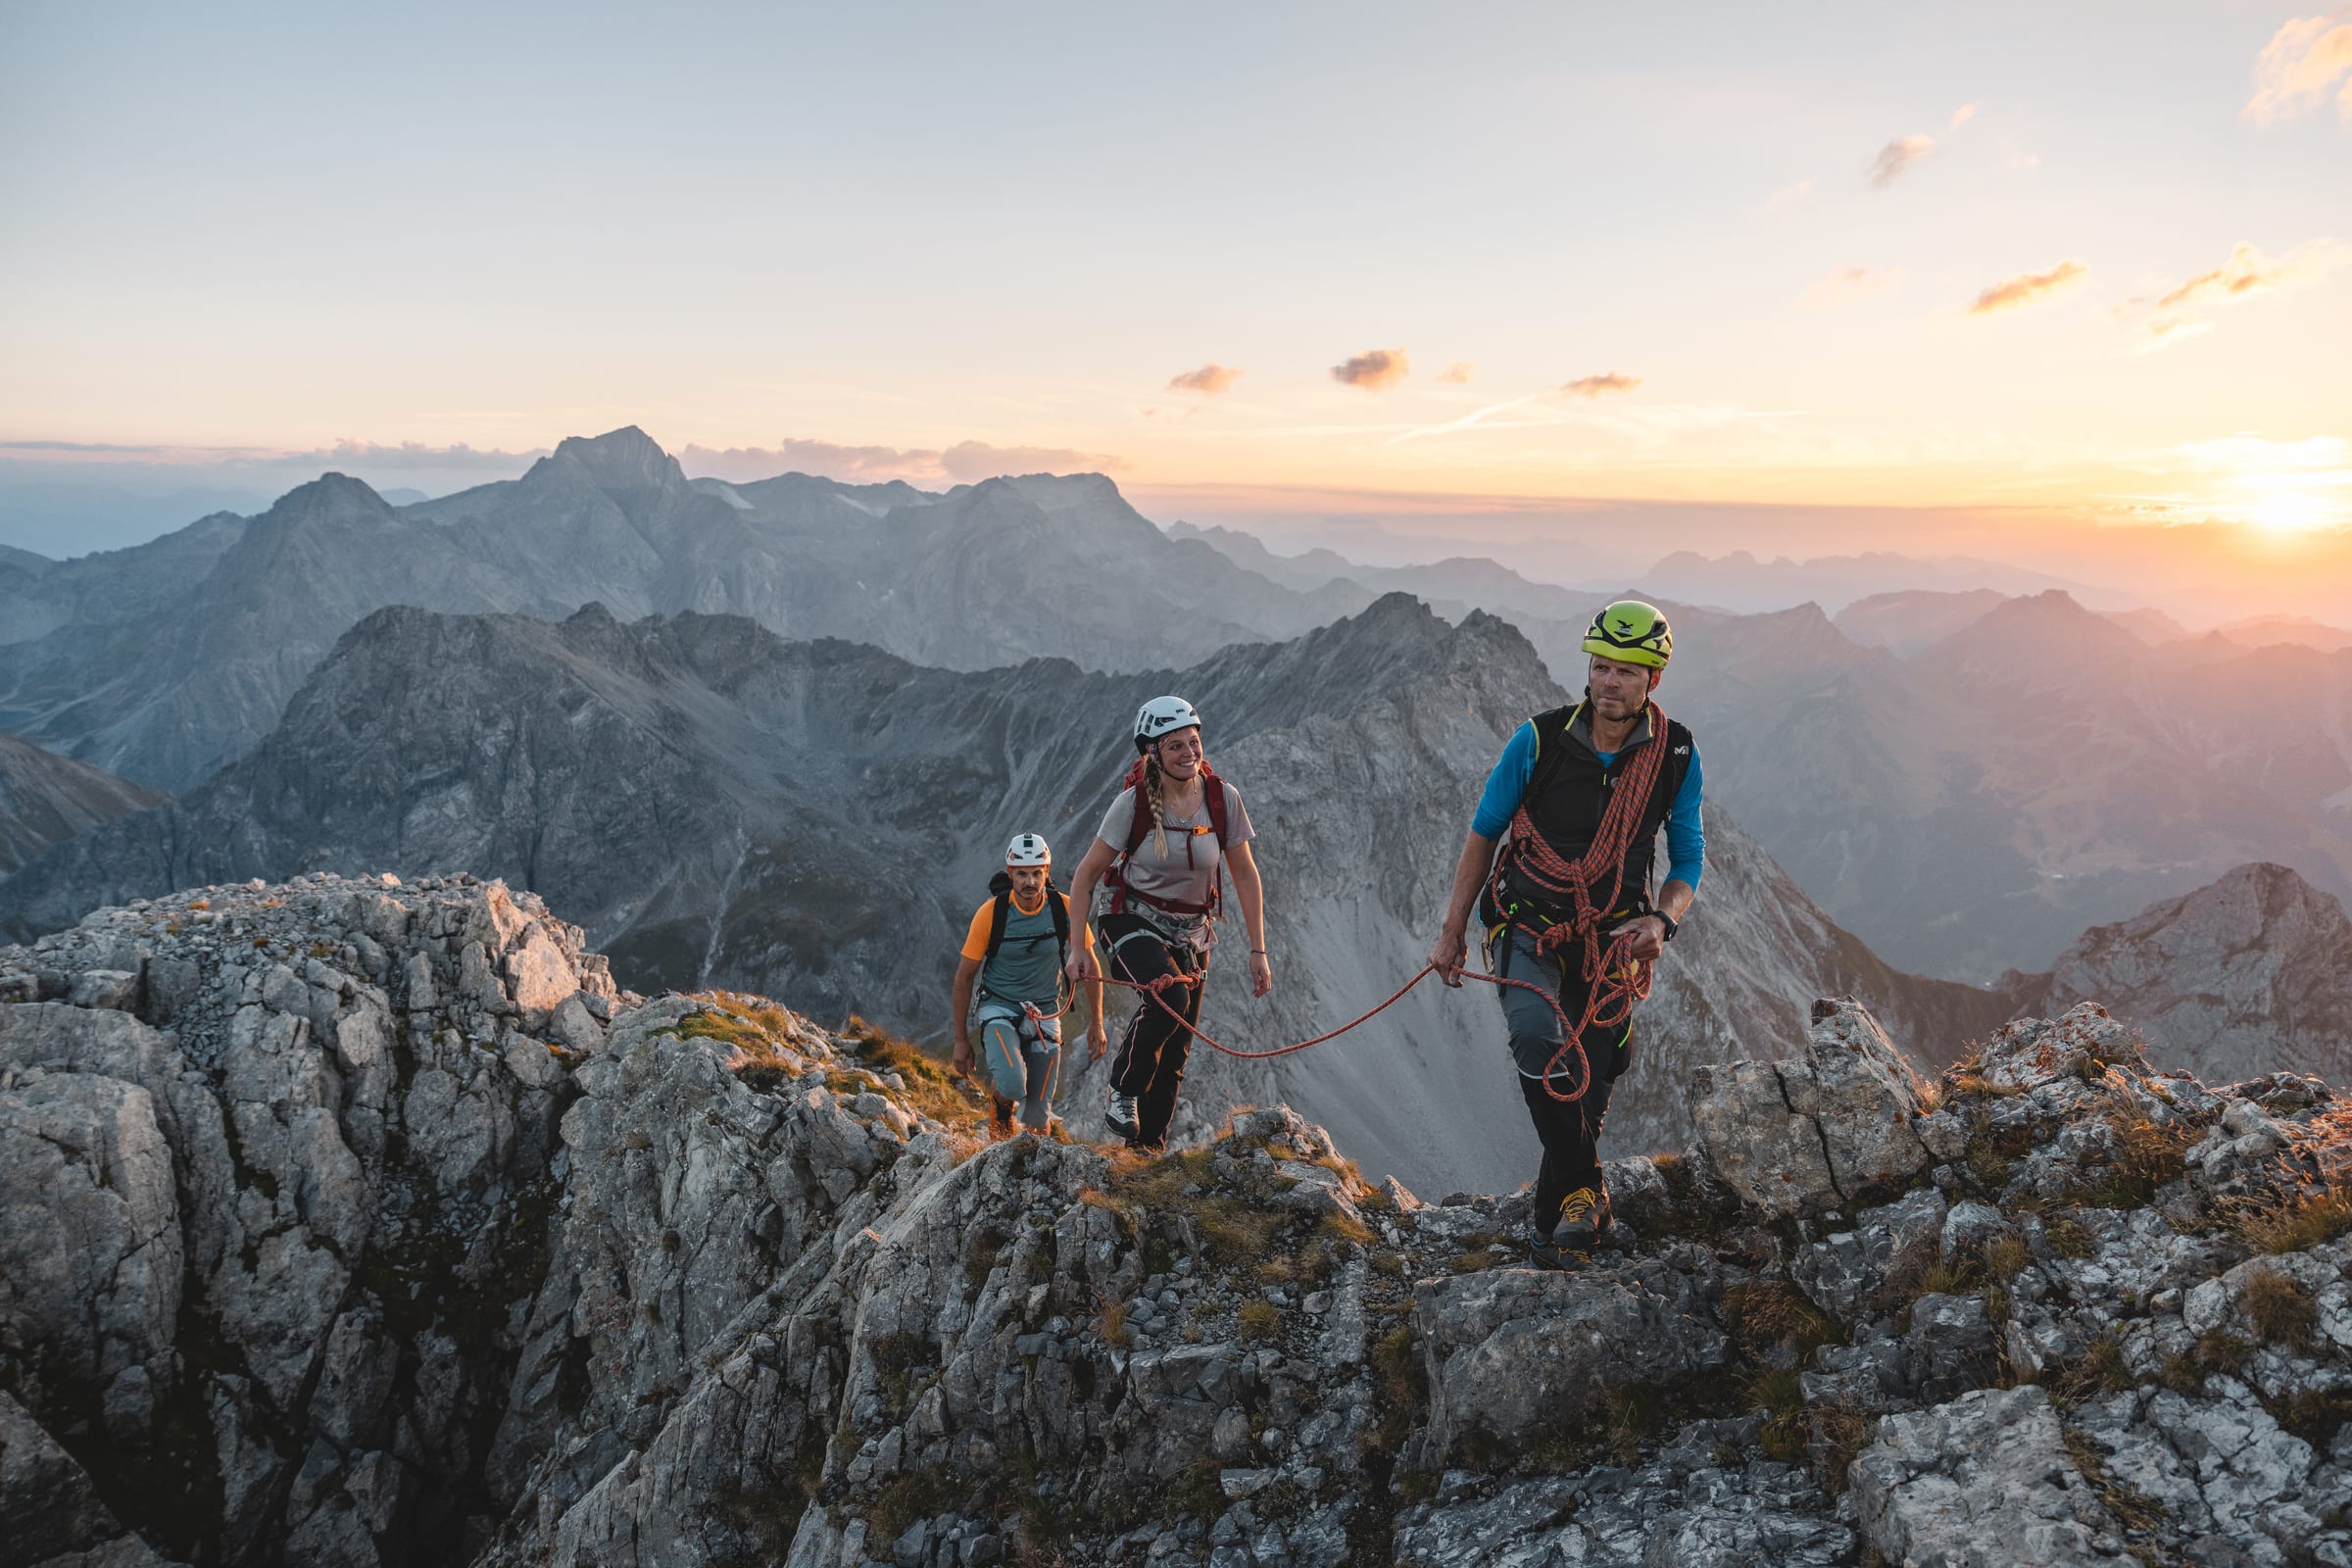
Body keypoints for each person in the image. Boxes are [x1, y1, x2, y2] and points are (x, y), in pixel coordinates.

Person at [1428, 600, 1705, 1268]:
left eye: (1627, 671)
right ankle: (1592, 1191)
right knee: (1535, 1035)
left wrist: (1663, 921)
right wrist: (1452, 931)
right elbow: (1484, 833)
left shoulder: (1676, 752)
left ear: (1653, 681)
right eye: (1601, 666)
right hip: (1530, 923)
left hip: (1614, 939)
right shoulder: (1540, 740)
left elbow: (1688, 857)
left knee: (1599, 1070)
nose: (1609, 681)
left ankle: (1552, 1229)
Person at [1064, 696, 1272, 1152]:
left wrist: (1258, 950)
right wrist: (1078, 949)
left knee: (1176, 1048)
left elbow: (1245, 874)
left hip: (1194, 933)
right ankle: (1123, 1089)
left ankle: (1147, 1151)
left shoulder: (1222, 799)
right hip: (1129, 918)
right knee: (1168, 996)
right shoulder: (1132, 804)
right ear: (1152, 753)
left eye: (1193, 742)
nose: (1188, 752)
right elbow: (1084, 877)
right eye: (1175, 745)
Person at [952, 832, 1106, 1137]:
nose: (1030, 882)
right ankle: (1000, 1120)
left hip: (1045, 1012)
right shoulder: (991, 914)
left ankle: (1034, 1167)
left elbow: (1091, 964)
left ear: (1047, 872)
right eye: (1022, 874)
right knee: (1011, 1082)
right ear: (1010, 873)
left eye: (1037, 873)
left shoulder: (1064, 908)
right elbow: (964, 977)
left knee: (1037, 1117)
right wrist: (960, 1039)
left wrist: (1097, 1023)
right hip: (999, 1007)